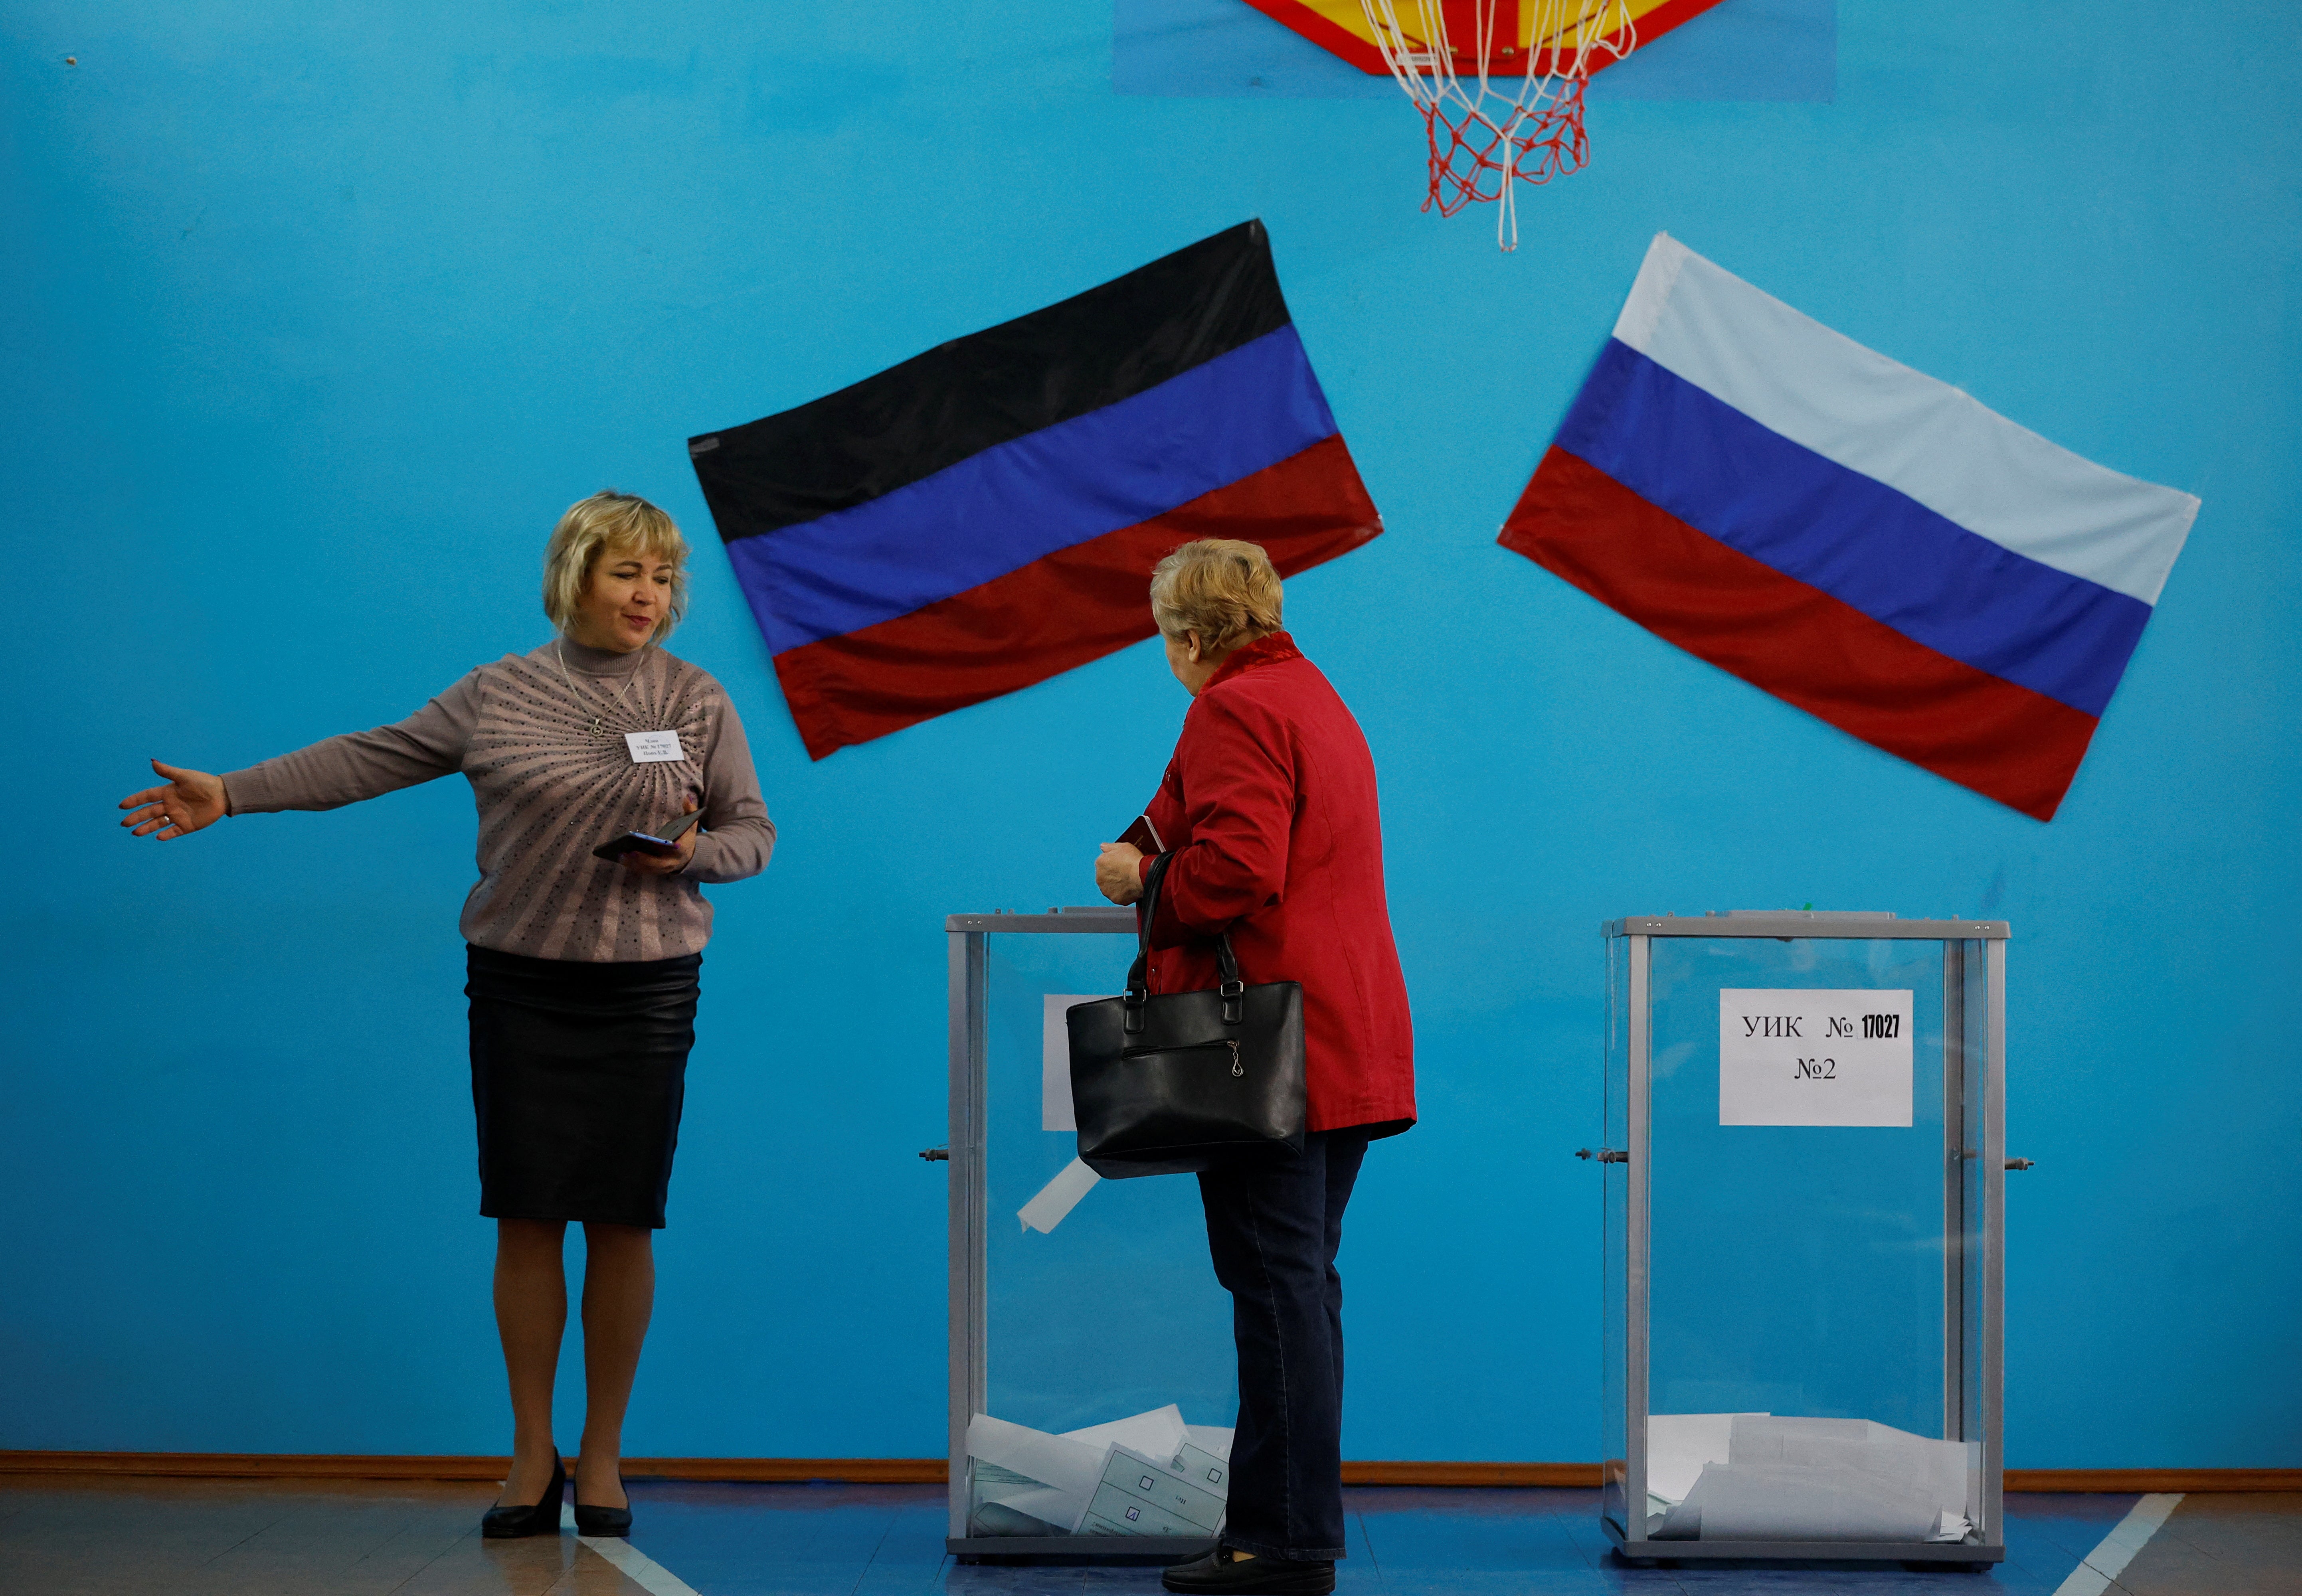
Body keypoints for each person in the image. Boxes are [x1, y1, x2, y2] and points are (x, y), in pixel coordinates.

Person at [116, 490, 774, 1540]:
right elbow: (366, 759)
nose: (648, 595)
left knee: (621, 1215)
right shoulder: (498, 692)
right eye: (626, 573)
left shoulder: (697, 699)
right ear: (574, 576)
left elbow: (752, 834)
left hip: (645, 989)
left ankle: (602, 1458)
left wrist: (692, 855)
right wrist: (231, 793)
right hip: (520, 983)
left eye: (663, 577)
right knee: (526, 1214)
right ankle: (531, 1455)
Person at [1093, 539, 1414, 1596]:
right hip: (1342, 1040)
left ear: (1185, 636)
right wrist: (1150, 844)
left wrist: (1147, 879)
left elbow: (1234, 871)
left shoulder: (1230, 708)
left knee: (1277, 1292)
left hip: (1273, 1055)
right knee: (1301, 1288)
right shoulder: (1307, 692)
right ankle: (1282, 1532)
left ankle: (1279, 1546)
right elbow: (1198, 813)